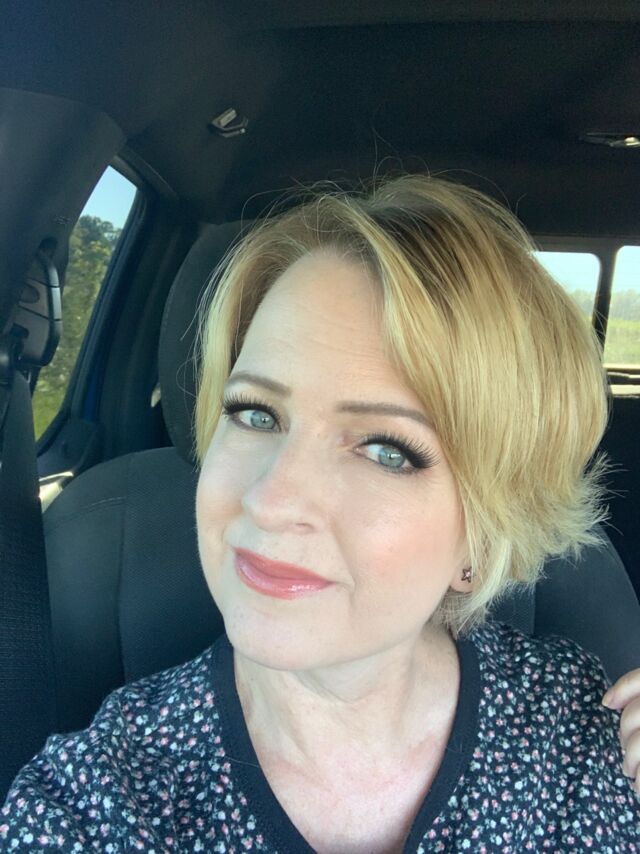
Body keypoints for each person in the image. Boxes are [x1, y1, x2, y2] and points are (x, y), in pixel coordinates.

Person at [1, 173, 639, 852]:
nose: (270, 501)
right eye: (255, 413)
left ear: (483, 539)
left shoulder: (580, 728)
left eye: (387, 451)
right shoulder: (96, 798)